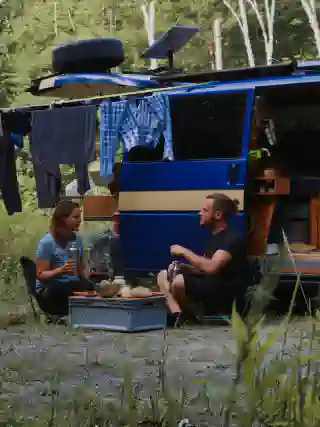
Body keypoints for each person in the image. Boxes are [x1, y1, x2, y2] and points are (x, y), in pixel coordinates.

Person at [157, 192, 250, 321]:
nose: (199, 213)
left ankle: (189, 315)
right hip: (212, 284)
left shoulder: (231, 238)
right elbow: (205, 267)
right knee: (163, 275)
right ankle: (176, 312)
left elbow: (212, 267)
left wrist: (184, 252)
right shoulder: (214, 236)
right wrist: (185, 267)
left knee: (179, 282)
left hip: (226, 292)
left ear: (218, 215)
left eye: (205, 210)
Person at [35, 200, 94, 316]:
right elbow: (41, 275)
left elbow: (80, 268)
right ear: (63, 219)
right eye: (75, 217)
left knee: (93, 287)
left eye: (79, 217)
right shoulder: (47, 243)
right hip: (52, 287)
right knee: (61, 289)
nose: (79, 220)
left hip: (71, 283)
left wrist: (91, 276)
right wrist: (60, 270)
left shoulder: (77, 239)